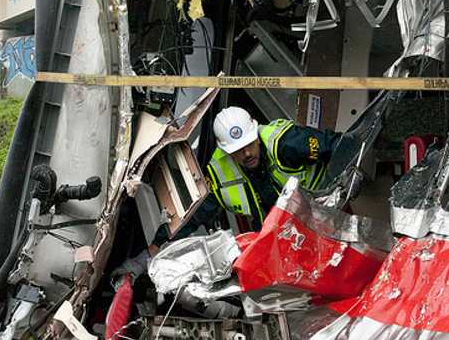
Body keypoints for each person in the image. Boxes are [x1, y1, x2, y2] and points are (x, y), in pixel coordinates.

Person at [113, 106, 341, 278]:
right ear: (225, 151)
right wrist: (151, 252)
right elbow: (193, 216)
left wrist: (351, 178)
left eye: (249, 145)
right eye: (238, 151)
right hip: (288, 240)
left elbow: (338, 146)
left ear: (256, 135)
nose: (247, 154)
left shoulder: (285, 143)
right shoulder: (221, 174)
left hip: (329, 214)